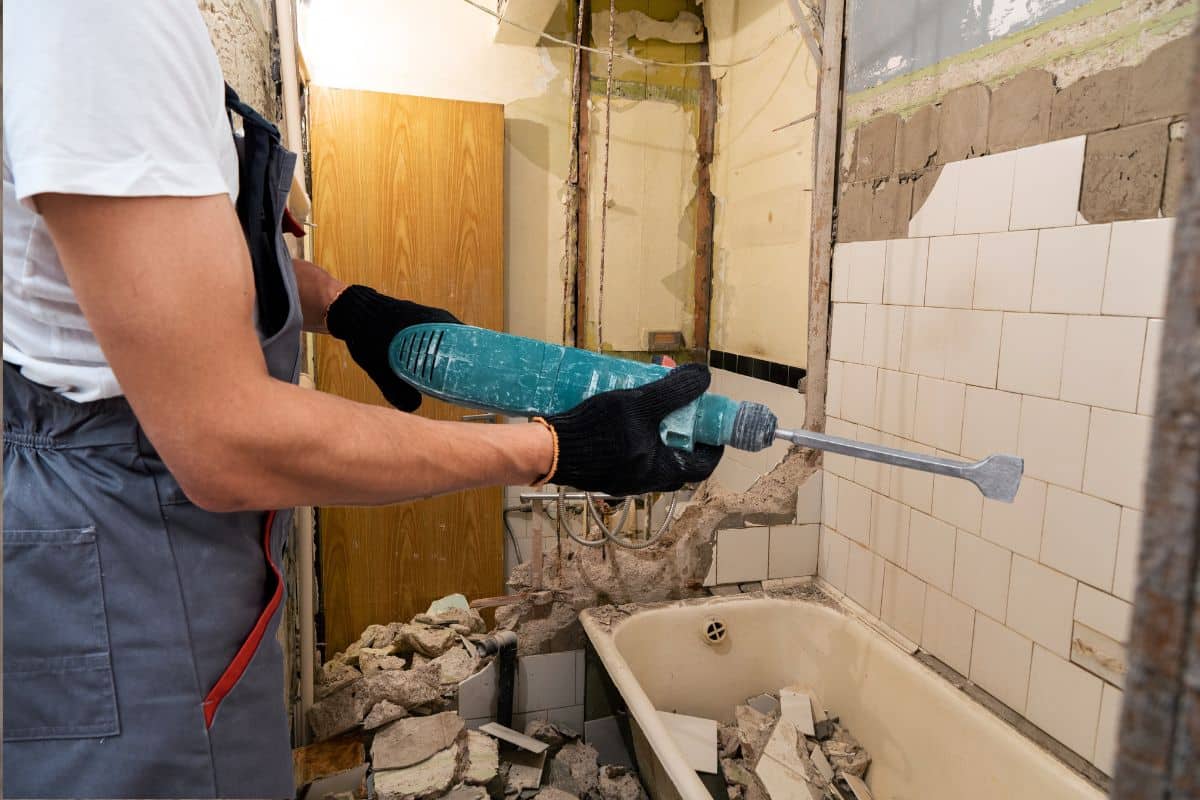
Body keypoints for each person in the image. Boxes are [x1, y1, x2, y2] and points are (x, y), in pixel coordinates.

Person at [2, 3, 723, 797]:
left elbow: (192, 263)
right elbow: (226, 439)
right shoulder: (95, 20)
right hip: (122, 545)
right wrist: (553, 448)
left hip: (167, 525)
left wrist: (350, 307)